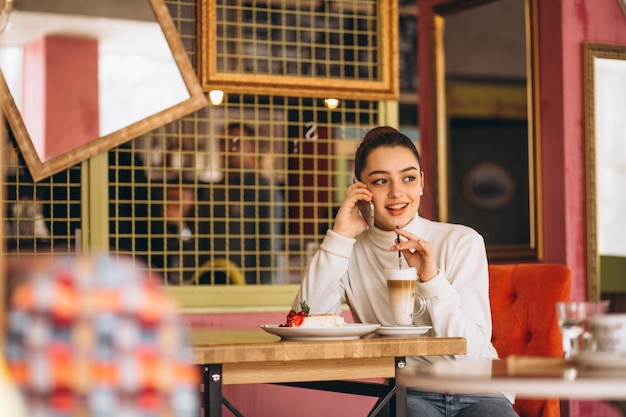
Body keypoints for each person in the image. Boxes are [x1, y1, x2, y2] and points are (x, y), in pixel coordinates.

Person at [292, 126, 518, 417]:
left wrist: (432, 280)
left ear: (422, 182)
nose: (397, 192)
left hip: (480, 390)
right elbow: (304, 328)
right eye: (381, 181)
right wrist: (339, 237)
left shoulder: (462, 241)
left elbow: (470, 353)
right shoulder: (348, 250)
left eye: (408, 178)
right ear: (360, 189)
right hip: (407, 393)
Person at [200, 122, 282, 284]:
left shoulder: (263, 189)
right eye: (223, 142)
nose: (230, 147)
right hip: (212, 280)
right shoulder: (212, 191)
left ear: (251, 147)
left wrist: (264, 287)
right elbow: (201, 237)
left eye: (237, 142)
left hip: (249, 283)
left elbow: (270, 242)